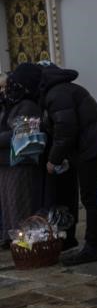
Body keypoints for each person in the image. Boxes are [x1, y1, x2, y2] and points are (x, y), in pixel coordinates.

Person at [39, 62, 97, 265]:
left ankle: (93, 246)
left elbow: (65, 129)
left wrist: (54, 159)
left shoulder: (57, 94)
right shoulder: (65, 89)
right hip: (95, 146)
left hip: (91, 149)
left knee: (91, 199)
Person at [0, 64, 42, 243]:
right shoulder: (10, 104)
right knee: (8, 205)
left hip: (18, 163)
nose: (5, 89)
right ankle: (11, 238)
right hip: (5, 163)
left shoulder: (27, 106)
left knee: (19, 204)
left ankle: (23, 242)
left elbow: (22, 135)